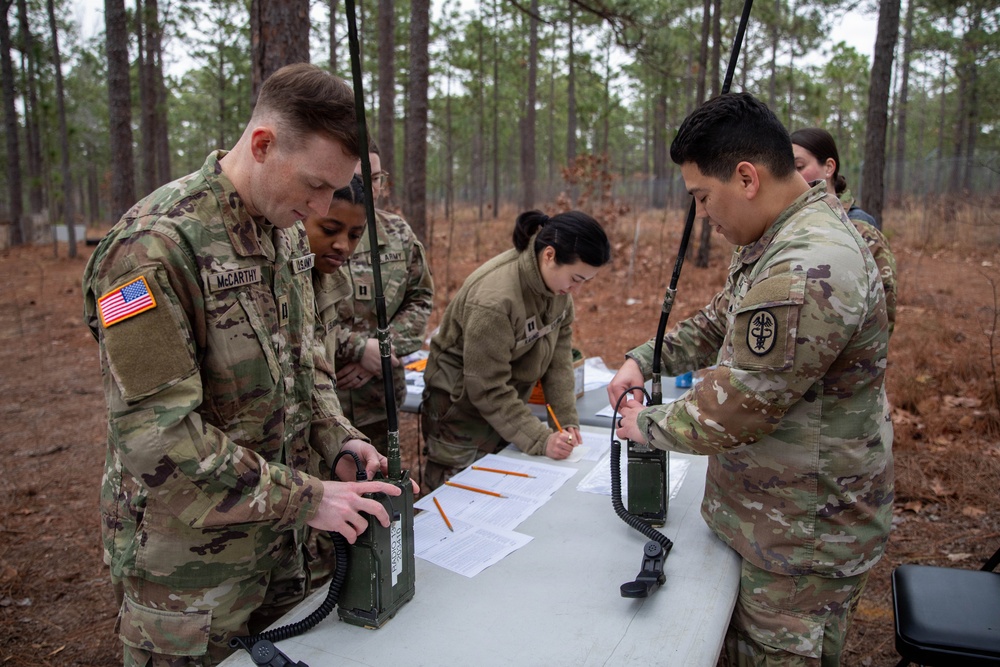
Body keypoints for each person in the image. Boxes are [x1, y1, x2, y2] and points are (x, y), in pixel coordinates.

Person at [82, 63, 406, 666]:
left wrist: (337, 438)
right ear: (262, 145)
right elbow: (157, 438)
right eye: (315, 185)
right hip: (193, 577)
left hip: (289, 555)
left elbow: (308, 369)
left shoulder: (286, 232)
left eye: (337, 189)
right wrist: (308, 499)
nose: (322, 206)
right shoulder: (152, 249)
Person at [609, 93, 893, 667]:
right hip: (769, 520)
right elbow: (720, 321)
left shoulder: (808, 262)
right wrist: (645, 358)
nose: (703, 215)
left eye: (702, 197)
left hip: (804, 539)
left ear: (746, 178)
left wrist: (645, 424)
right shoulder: (777, 239)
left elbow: (739, 406)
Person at [420, 210, 611, 490]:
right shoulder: (494, 301)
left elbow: (559, 360)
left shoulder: (557, 290)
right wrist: (540, 439)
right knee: (457, 500)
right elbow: (486, 386)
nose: (577, 290)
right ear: (549, 255)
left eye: (584, 281)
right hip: (461, 418)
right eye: (576, 278)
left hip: (506, 411)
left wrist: (565, 419)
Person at [329, 140, 434, 454]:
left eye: (375, 178)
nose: (370, 188)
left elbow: (420, 298)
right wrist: (360, 349)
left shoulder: (398, 233)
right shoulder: (314, 233)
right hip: (327, 400)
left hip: (380, 398)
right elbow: (303, 318)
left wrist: (381, 352)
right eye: (359, 179)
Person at [792, 126, 897, 335]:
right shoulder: (790, 225)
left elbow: (882, 308)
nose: (793, 177)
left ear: (829, 167)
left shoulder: (860, 228)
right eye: (787, 170)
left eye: (799, 167)